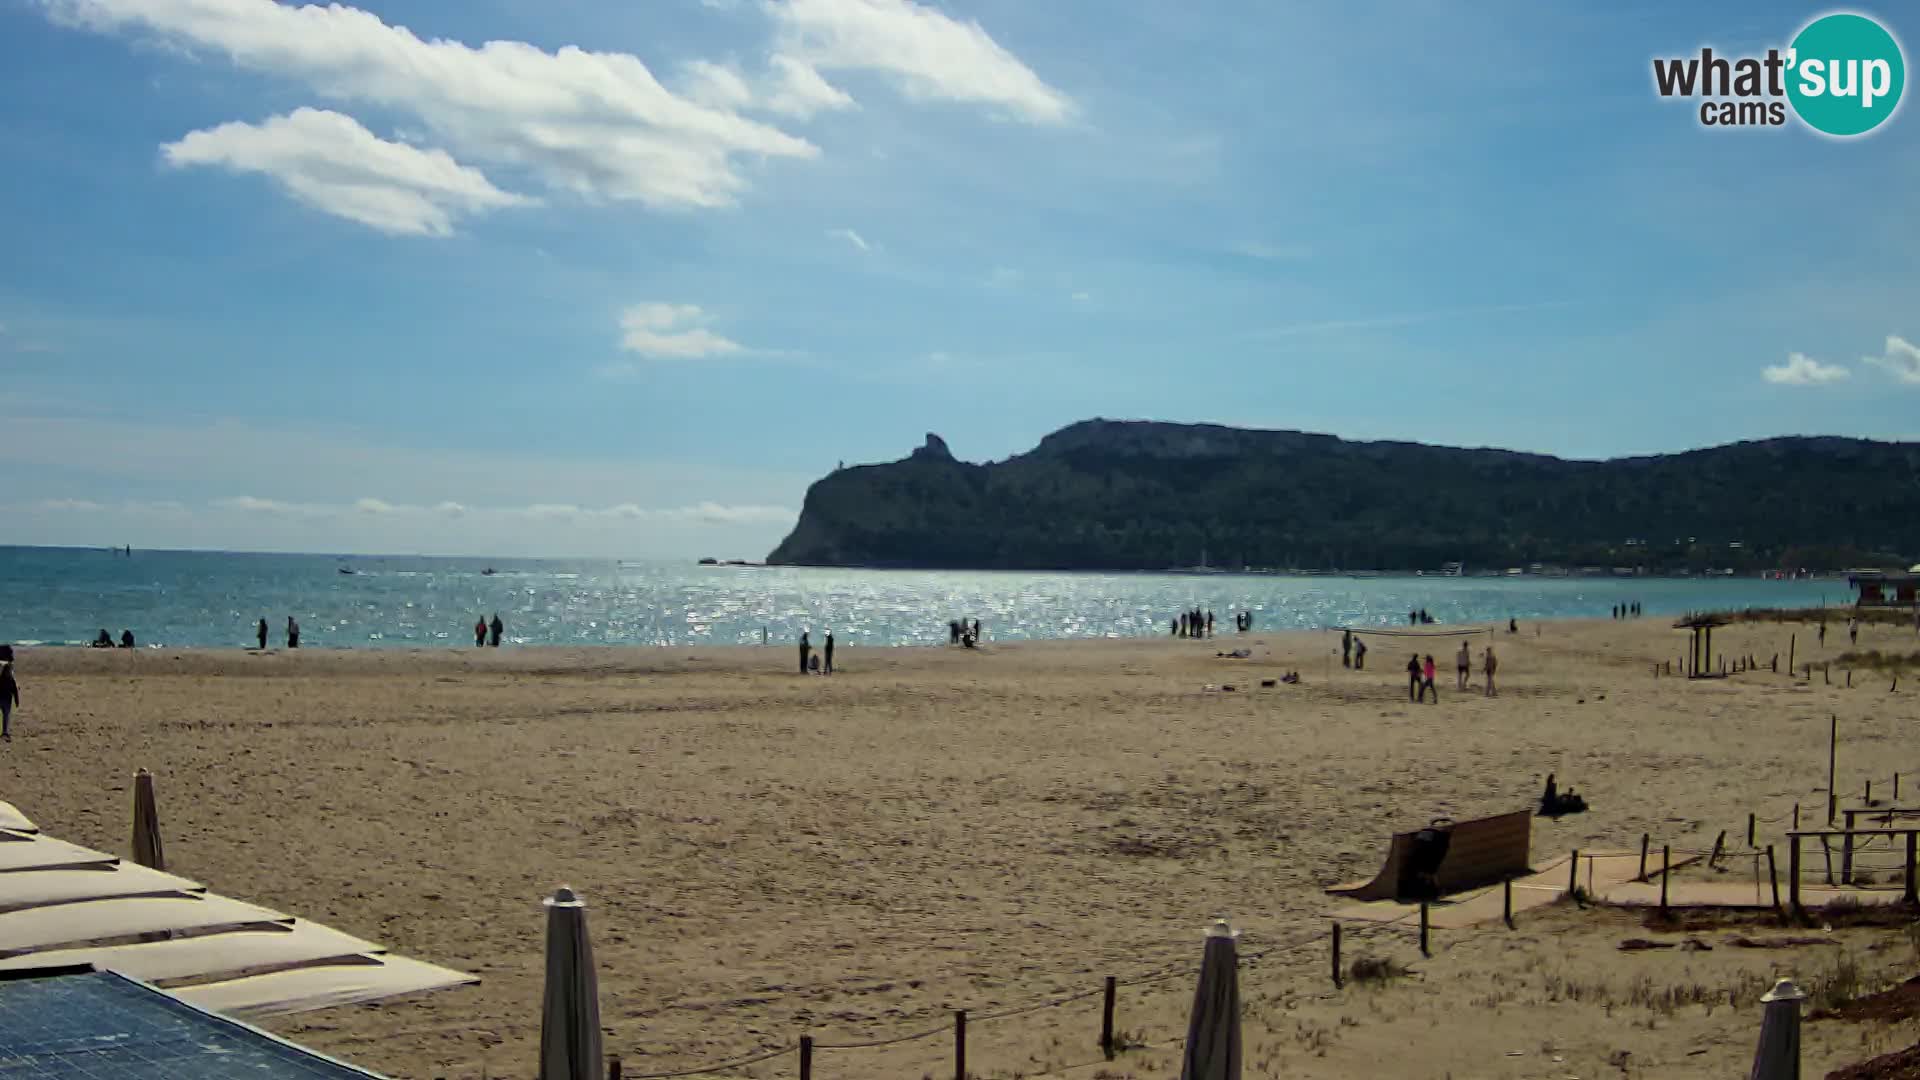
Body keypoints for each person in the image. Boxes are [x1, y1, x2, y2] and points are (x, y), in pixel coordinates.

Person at [0, 660, 16, 741]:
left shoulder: (1, 678)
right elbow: (15, 691)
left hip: (3, 699)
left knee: (5, 716)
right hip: (7, 701)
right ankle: (5, 732)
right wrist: (17, 701)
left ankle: (5, 732)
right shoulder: (11, 679)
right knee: (6, 715)